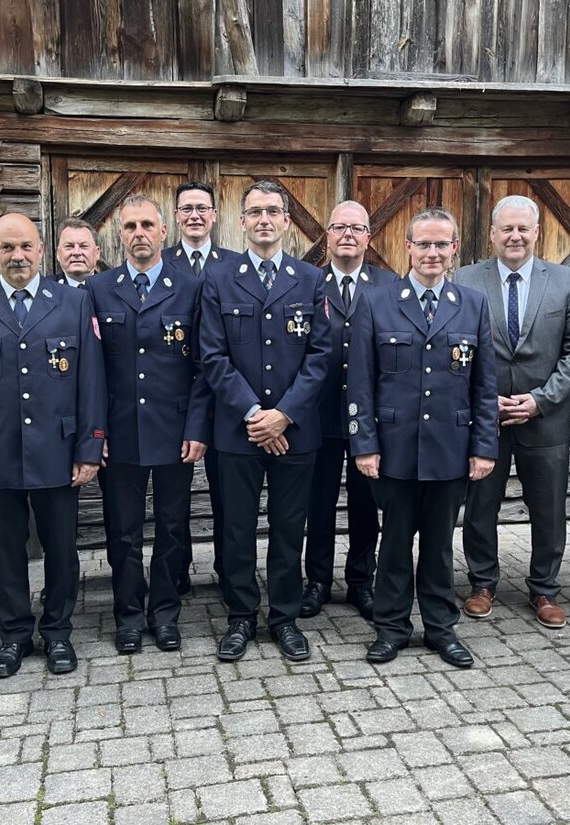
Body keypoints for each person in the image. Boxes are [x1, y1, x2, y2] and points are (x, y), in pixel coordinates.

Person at [0, 213, 105, 677]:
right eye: (7, 248)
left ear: (41, 250)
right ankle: (13, 635)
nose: (17, 256)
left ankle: (57, 632)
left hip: (59, 449)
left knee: (61, 549)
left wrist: (89, 449)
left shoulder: (72, 302)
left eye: (26, 247)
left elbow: (91, 382)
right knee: (5, 550)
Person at [347, 207, 497, 668]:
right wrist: (364, 445)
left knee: (438, 546)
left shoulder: (472, 305)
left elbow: (484, 385)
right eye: (424, 243)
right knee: (394, 544)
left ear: (455, 249)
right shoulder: (376, 302)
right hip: (393, 450)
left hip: (450, 449)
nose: (432, 252)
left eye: (441, 244)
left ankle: (440, 628)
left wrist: (483, 447)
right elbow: (360, 382)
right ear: (407, 247)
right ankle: (391, 628)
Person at [199, 180, 330, 662]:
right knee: (236, 528)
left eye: (273, 211)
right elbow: (212, 356)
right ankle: (240, 616)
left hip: (296, 432)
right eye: (255, 212)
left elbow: (320, 355)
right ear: (241, 221)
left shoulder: (311, 280)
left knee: (288, 527)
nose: (264, 220)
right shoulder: (218, 279)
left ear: (287, 221)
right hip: (239, 431)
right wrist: (256, 415)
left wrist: (284, 415)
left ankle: (284, 618)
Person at [456, 195, 570, 629]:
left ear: (537, 233)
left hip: (545, 418)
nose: (515, 236)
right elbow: (454, 347)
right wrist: (483, 399)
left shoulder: (566, 281)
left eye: (523, 229)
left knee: (548, 509)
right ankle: (482, 584)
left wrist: (541, 400)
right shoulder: (465, 279)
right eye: (507, 229)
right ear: (492, 234)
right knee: (481, 506)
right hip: (487, 418)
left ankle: (545, 589)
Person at [87, 194, 210, 653]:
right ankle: (128, 615)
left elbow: (203, 367)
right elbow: (90, 372)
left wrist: (197, 427)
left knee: (173, 528)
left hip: (174, 431)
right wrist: (95, 432)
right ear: (119, 235)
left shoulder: (190, 287)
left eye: (146, 225)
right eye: (130, 226)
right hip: (119, 431)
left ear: (163, 232)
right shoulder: (99, 289)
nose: (139, 233)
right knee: (123, 531)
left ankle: (165, 613)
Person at [300, 200, 396, 621]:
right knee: (317, 503)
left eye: (356, 228)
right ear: (327, 235)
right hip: (317, 414)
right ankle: (317, 581)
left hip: (369, 419)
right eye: (339, 227)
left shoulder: (389, 285)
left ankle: (361, 581)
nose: (347, 235)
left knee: (364, 503)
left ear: (369, 238)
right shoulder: (307, 282)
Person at [162, 181, 238, 591]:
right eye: (187, 208)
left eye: (202, 208)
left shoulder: (236, 265)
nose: (194, 215)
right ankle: (177, 571)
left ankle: (228, 569)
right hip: (176, 398)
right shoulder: (161, 264)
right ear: (176, 216)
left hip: (223, 398)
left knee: (227, 494)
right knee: (173, 498)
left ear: (214, 215)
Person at [55, 217, 102, 287]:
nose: (76, 252)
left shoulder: (112, 289)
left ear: (97, 253)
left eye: (83, 246)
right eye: (69, 246)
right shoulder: (42, 289)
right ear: (58, 254)